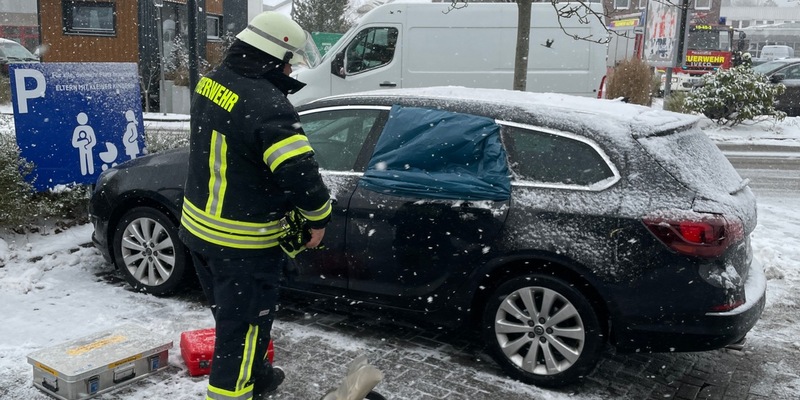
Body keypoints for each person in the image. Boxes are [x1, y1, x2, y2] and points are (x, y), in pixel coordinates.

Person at [178, 11, 332, 400]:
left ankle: (257, 375)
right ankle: (232, 393)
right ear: (274, 57)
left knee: (235, 320)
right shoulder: (268, 104)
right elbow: (299, 172)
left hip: (199, 233)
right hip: (242, 244)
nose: (291, 69)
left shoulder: (213, 82)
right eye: (290, 61)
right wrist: (318, 217)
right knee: (242, 329)